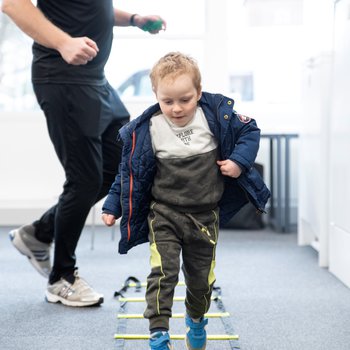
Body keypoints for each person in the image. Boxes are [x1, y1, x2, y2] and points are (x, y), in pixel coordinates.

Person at [1, 0, 166, 308]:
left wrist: (133, 19)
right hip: (62, 78)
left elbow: (90, 7)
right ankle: (61, 279)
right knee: (85, 179)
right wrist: (63, 42)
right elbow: (12, 4)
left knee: (120, 162)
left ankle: (39, 233)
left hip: (95, 79)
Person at [102, 52, 270, 350]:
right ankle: (159, 333)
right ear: (155, 96)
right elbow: (129, 171)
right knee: (163, 272)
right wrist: (112, 205)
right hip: (163, 213)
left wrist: (238, 162)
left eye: (185, 100)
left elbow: (250, 131)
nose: (177, 108)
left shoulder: (215, 115)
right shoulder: (148, 128)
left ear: (199, 93)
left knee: (200, 282)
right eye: (168, 102)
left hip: (204, 217)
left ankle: (196, 319)